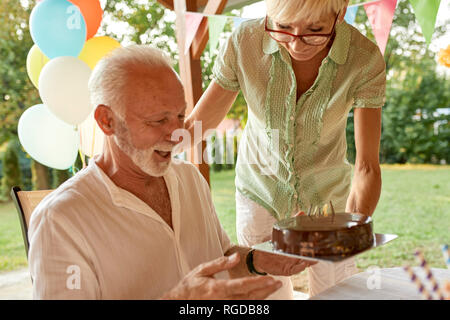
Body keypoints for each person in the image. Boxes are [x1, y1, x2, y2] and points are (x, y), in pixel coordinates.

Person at [27, 45, 312, 300]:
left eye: (179, 116)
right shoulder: (60, 219)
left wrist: (258, 260)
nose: (177, 134)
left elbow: (221, 256)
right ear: (107, 120)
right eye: (158, 120)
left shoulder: (189, 178)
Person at [183, 0, 386, 298]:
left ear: (339, 14)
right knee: (266, 292)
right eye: (282, 27)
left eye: (314, 30)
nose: (296, 44)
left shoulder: (364, 58)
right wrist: (152, 145)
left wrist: (352, 226)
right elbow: (198, 125)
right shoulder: (245, 42)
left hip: (327, 197)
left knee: (337, 291)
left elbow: (367, 166)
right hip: (260, 189)